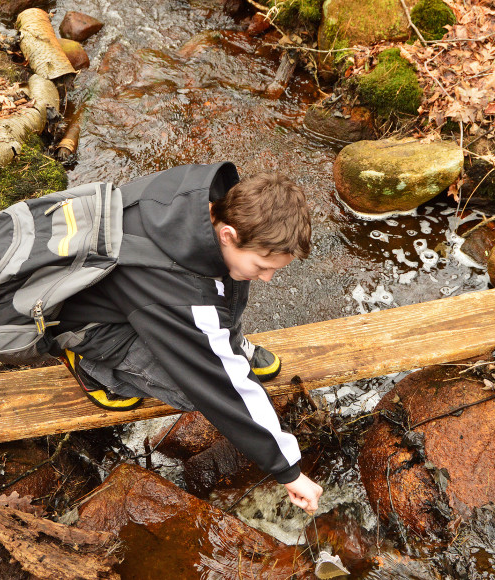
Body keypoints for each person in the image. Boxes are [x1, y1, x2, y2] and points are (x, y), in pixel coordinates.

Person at [53, 162, 323, 513]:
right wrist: (287, 470)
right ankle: (94, 369)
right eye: (264, 266)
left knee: (233, 272)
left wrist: (231, 336)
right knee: (190, 389)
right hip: (88, 324)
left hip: (123, 292)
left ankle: (232, 341)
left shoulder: (205, 204)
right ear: (228, 234)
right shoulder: (179, 287)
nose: (269, 278)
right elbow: (216, 385)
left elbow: (220, 294)